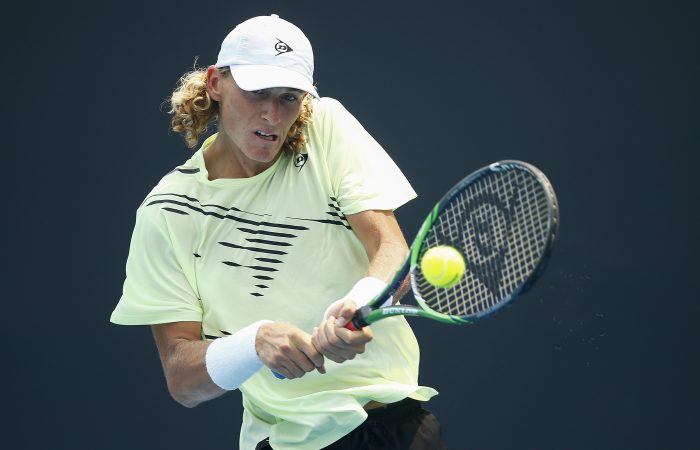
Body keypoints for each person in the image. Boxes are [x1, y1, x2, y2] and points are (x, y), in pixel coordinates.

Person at [110, 14, 446, 450]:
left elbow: (390, 247)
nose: (271, 114)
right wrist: (254, 342)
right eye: (256, 92)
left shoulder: (324, 129)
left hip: (393, 430)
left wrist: (359, 304)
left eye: (288, 97)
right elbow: (181, 377)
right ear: (215, 83)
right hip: (285, 441)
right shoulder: (167, 213)